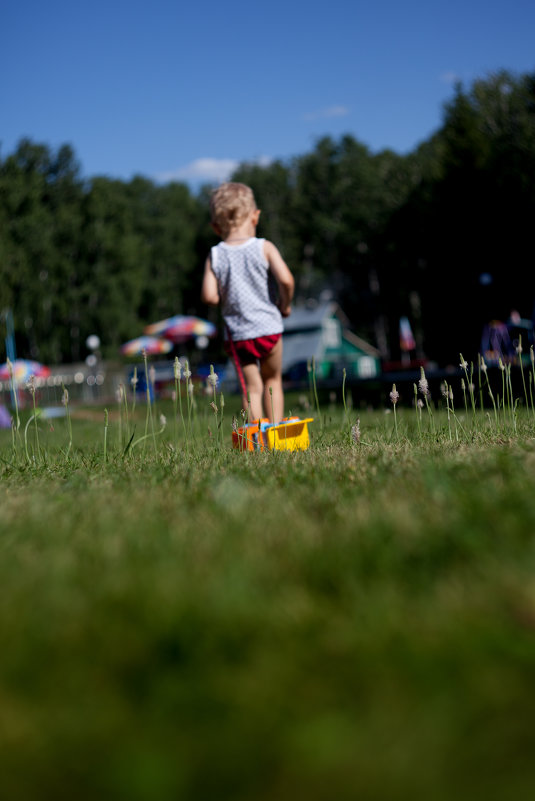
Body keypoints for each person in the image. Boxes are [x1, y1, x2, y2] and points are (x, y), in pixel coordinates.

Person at [201, 182, 295, 423]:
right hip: (269, 329)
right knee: (273, 380)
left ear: (215, 227)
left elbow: (209, 296)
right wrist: (284, 305)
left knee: (251, 388)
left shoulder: (216, 255)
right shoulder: (264, 247)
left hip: (239, 335)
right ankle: (275, 430)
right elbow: (286, 280)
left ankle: (256, 437)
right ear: (255, 217)